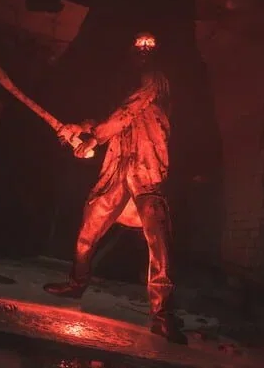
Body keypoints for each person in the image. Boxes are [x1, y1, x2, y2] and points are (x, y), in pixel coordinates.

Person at [44, 31, 187, 345]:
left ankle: (162, 315)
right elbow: (112, 116)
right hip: (118, 172)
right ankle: (77, 283)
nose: (144, 51)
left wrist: (94, 138)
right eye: (139, 47)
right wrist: (81, 129)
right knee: (88, 232)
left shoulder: (155, 82)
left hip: (147, 171)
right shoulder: (128, 87)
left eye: (149, 46)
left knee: (159, 246)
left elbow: (126, 112)